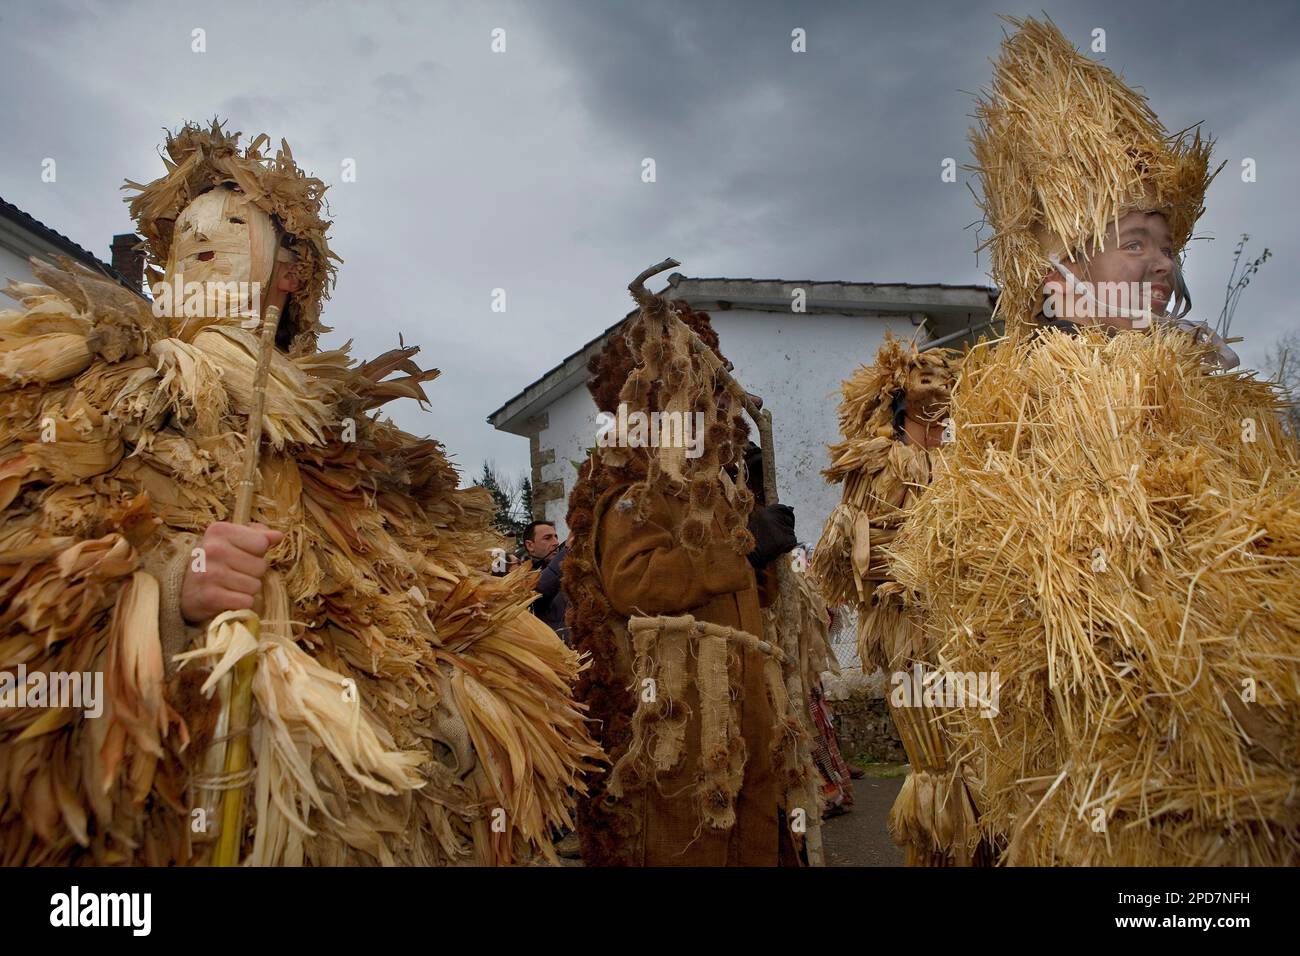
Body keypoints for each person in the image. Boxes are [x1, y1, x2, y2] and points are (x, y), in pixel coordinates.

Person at [0, 121, 599, 866]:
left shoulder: (352, 447)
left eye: (233, 222)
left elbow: (440, 599)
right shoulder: (96, 378)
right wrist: (168, 587)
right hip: (169, 798)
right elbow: (27, 566)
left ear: (292, 273)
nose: (201, 235)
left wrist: (453, 703)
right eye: (185, 227)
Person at [566, 283, 801, 866]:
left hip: (739, 712)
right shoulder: (631, 493)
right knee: (686, 838)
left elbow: (751, 595)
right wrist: (740, 549)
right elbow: (635, 584)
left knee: (752, 838)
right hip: (680, 721)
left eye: (714, 391)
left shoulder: (716, 495)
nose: (713, 405)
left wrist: (762, 545)